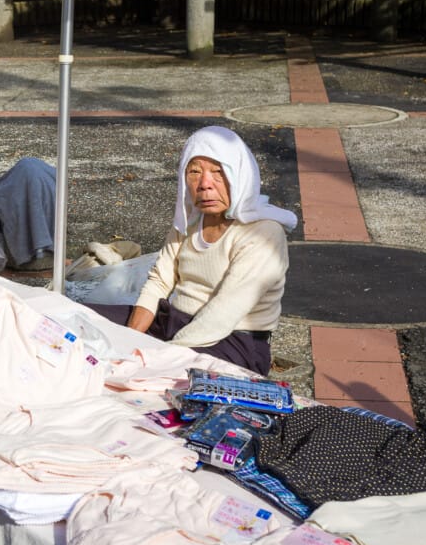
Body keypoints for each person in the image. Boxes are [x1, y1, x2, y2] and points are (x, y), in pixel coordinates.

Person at [88, 126, 298, 374]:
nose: (204, 185)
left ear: (240, 176)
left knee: (166, 378)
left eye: (218, 172)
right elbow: (159, 282)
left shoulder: (263, 234)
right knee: (77, 319)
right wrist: (130, 339)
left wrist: (156, 356)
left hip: (231, 341)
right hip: (173, 322)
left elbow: (222, 314)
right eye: (194, 172)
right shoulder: (189, 220)